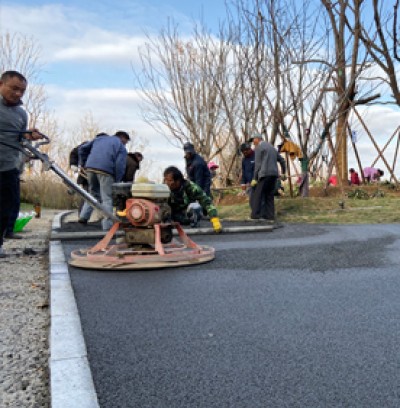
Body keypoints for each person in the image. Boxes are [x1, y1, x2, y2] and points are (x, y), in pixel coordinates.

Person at [0, 70, 42, 257]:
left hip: (9, 167)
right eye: (14, 88)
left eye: (22, 91)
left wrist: (29, 136)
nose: (18, 94)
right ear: (1, 84)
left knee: (6, 209)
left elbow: (20, 140)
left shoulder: (21, 114)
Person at [78, 131, 130, 231]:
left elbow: (82, 149)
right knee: (107, 198)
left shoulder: (99, 139)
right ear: (122, 138)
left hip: (90, 168)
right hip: (106, 171)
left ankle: (83, 217)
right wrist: (117, 180)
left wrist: (83, 163)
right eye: (125, 142)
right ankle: (107, 225)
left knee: (93, 194)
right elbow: (120, 165)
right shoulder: (120, 146)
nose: (125, 144)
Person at [163, 166, 222, 232]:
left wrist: (215, 219)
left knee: (195, 207)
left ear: (178, 181)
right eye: (165, 180)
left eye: (170, 180)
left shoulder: (190, 187)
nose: (167, 183)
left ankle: (193, 220)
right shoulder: (163, 189)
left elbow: (206, 201)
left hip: (186, 213)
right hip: (171, 215)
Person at [249, 133, 286, 221]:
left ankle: (255, 215)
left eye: (253, 140)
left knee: (258, 194)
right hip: (274, 175)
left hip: (264, 174)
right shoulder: (272, 148)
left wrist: (254, 178)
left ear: (257, 139)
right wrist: (284, 172)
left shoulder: (258, 148)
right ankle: (270, 216)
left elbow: (257, 165)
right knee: (269, 195)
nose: (253, 142)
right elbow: (282, 160)